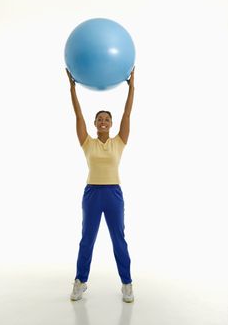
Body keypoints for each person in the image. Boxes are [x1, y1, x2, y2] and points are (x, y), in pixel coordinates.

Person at [65, 67, 135, 303]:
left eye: (107, 119)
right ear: (95, 123)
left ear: (111, 123)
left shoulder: (119, 142)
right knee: (87, 238)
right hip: (92, 193)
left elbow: (127, 114)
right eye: (100, 119)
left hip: (113, 193)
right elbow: (78, 117)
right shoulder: (87, 142)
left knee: (119, 239)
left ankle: (127, 283)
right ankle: (80, 281)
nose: (103, 121)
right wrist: (72, 88)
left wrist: (131, 87)